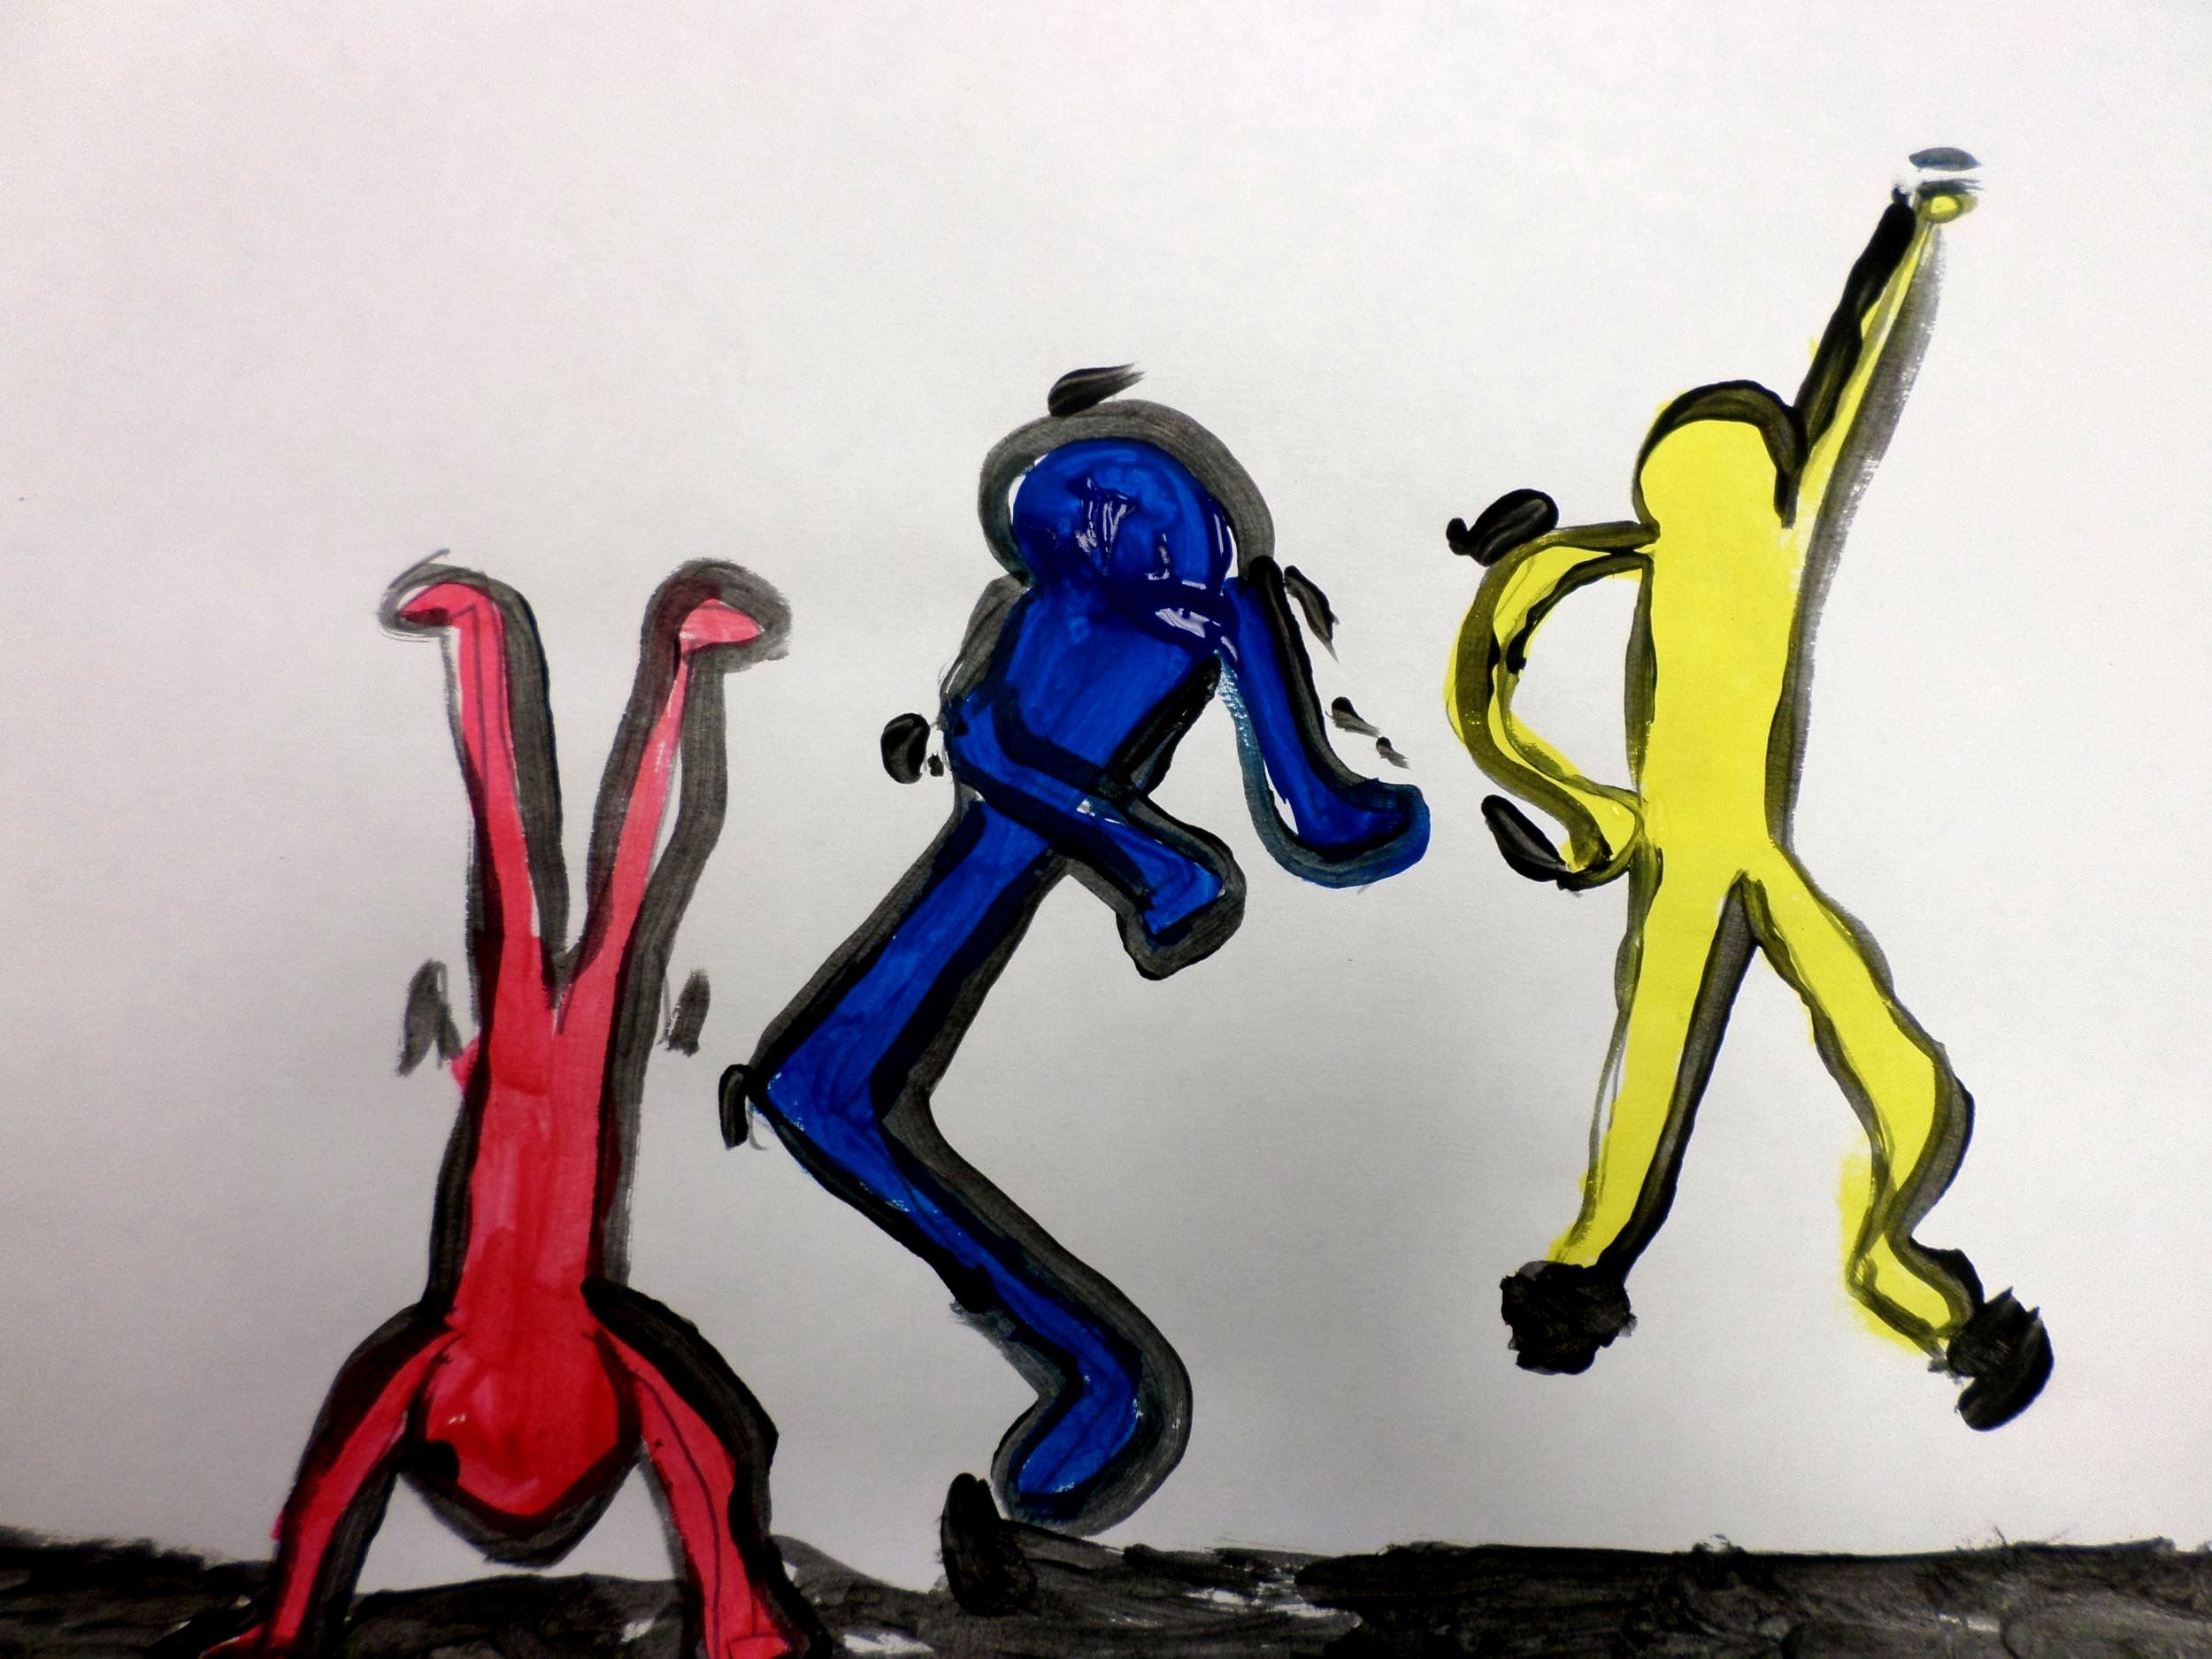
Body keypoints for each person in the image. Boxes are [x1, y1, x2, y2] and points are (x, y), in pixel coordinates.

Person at [737, 369, 1428, 1544]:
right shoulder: (1066, 610)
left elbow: (1313, 806)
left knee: (817, 1089)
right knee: (816, 1089)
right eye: (1084, 501)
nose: (1107, 516)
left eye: (1129, 498)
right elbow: (993, 743)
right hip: (988, 864)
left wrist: (1195, 854)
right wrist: (1153, 855)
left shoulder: (1213, 611)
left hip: (997, 865)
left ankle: (1099, 1369)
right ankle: (1094, 1365)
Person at [1446, 157, 2051, 1429]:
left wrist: (1909, 225)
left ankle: (1923, 1301)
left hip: (1717, 847)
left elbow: (1852, 366)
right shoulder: (1667, 539)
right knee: (1760, 1061)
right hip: (1695, 846)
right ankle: (1616, 1284)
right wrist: (1584, 814)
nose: (1705, 473)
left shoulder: (1712, 531)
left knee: (1826, 1063)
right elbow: (1489, 681)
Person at [203, 561, 819, 1658]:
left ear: (455, 1460)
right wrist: (735, 1615)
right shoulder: (579, 1368)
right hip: (565, 1107)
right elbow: (701, 1456)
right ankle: (652, 658)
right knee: (601, 897)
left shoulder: (441, 1371)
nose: (526, 1480)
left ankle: (510, 641)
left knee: (554, 886)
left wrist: (287, 1628)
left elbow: (340, 1473)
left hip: (520, 1099)